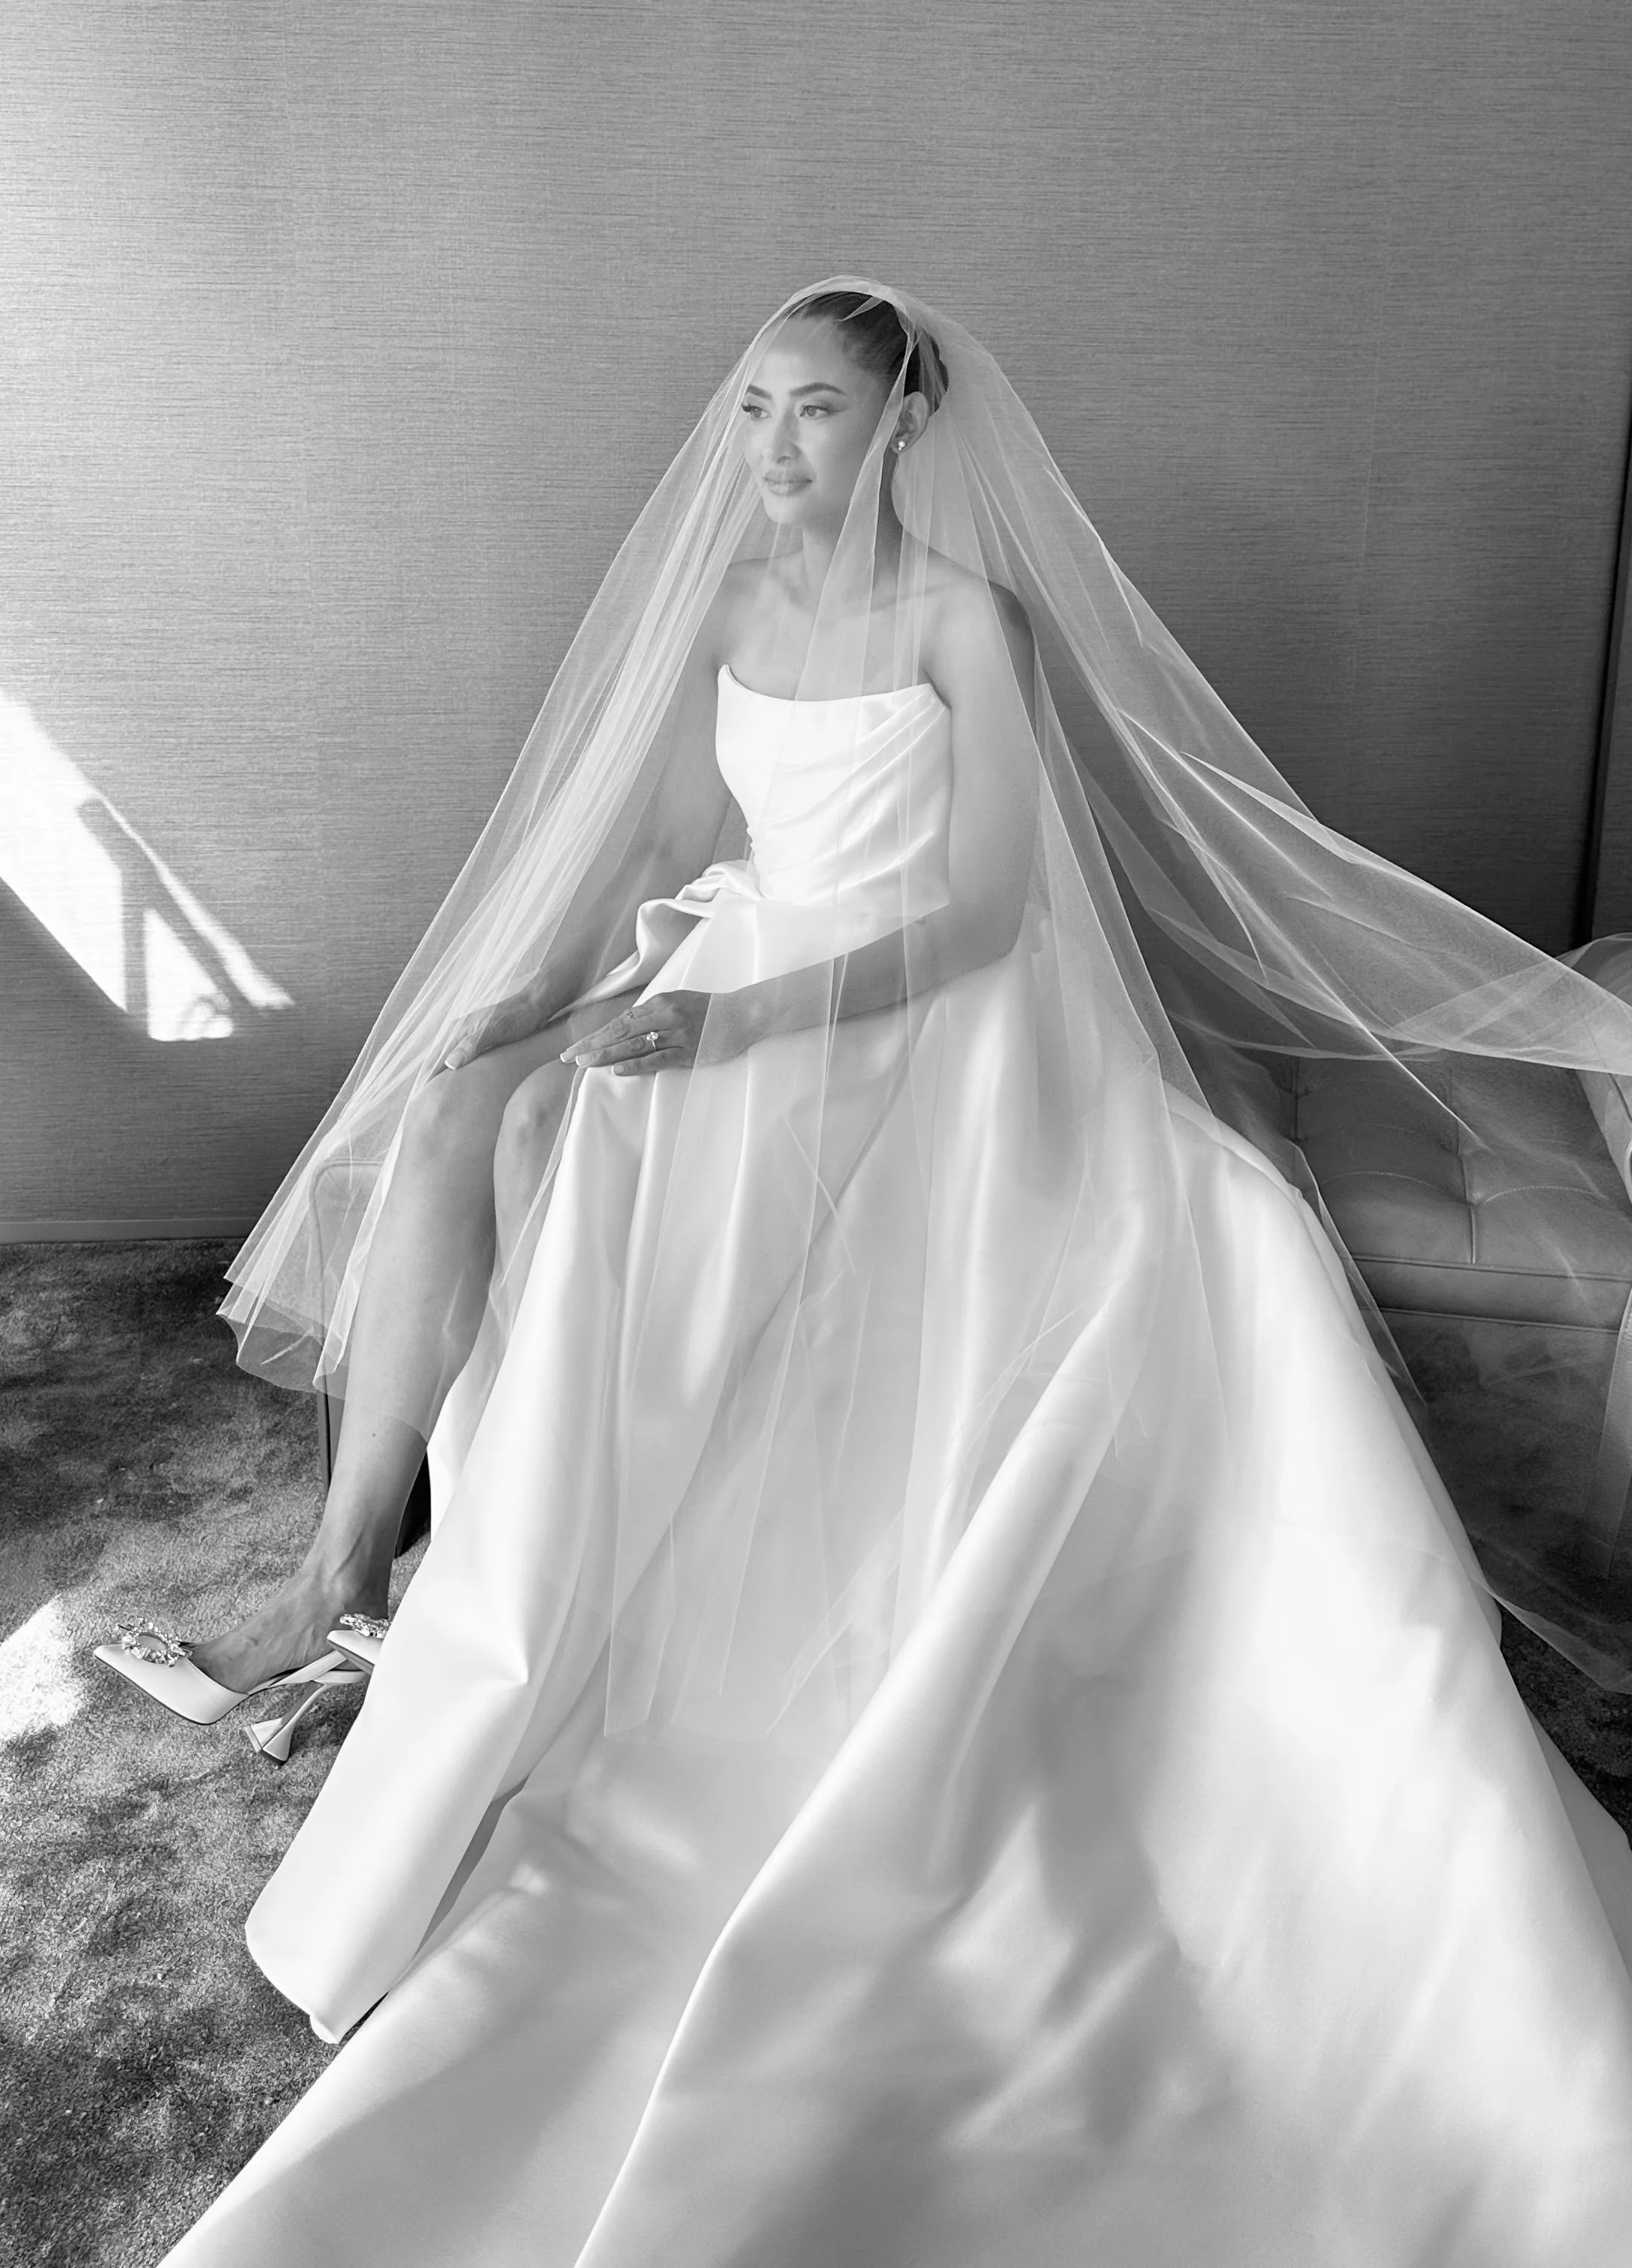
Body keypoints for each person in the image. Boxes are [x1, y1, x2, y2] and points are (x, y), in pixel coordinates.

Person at [112, 281, 1632, 2261]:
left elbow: (990, 908)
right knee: (473, 1100)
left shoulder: (968, 624)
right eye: (752, 408)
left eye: (814, 412)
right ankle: (348, 1571)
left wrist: (745, 1022)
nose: (770, 449)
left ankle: (481, 1591)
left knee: (730, 1172)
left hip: (925, 1014)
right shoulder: (733, 607)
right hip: (735, 961)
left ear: (903, 424)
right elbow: (673, 841)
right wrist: (553, 1012)